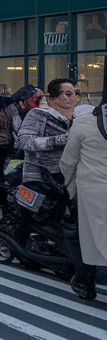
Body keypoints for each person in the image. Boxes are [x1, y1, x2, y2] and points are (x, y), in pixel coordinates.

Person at [60, 103, 107, 302]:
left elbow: (68, 162)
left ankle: (85, 282)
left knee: (84, 237)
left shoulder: (83, 124)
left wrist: (70, 191)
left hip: (93, 190)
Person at [17, 78, 78, 184]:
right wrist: (59, 140)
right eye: (67, 94)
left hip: (70, 178)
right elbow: (23, 141)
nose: (73, 98)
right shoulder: (38, 114)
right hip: (42, 179)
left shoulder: (79, 116)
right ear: (51, 97)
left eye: (74, 94)